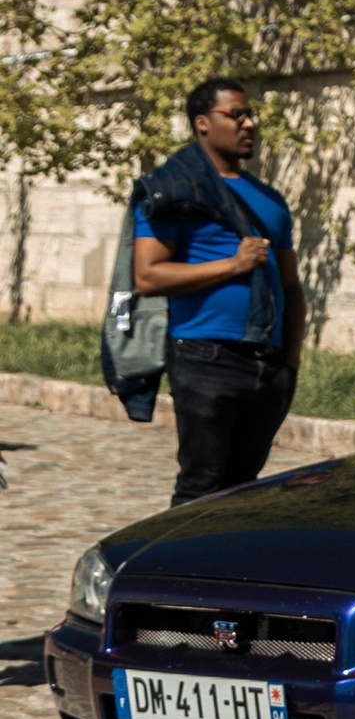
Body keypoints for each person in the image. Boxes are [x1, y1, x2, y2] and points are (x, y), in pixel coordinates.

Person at [130, 78, 305, 507]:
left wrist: (292, 361)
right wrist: (233, 265)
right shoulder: (173, 190)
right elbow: (148, 277)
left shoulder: (270, 199)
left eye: (251, 115)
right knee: (201, 487)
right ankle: (175, 554)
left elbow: (290, 285)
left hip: (269, 365)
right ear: (203, 123)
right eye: (237, 115)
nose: (250, 124)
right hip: (205, 357)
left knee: (244, 489)